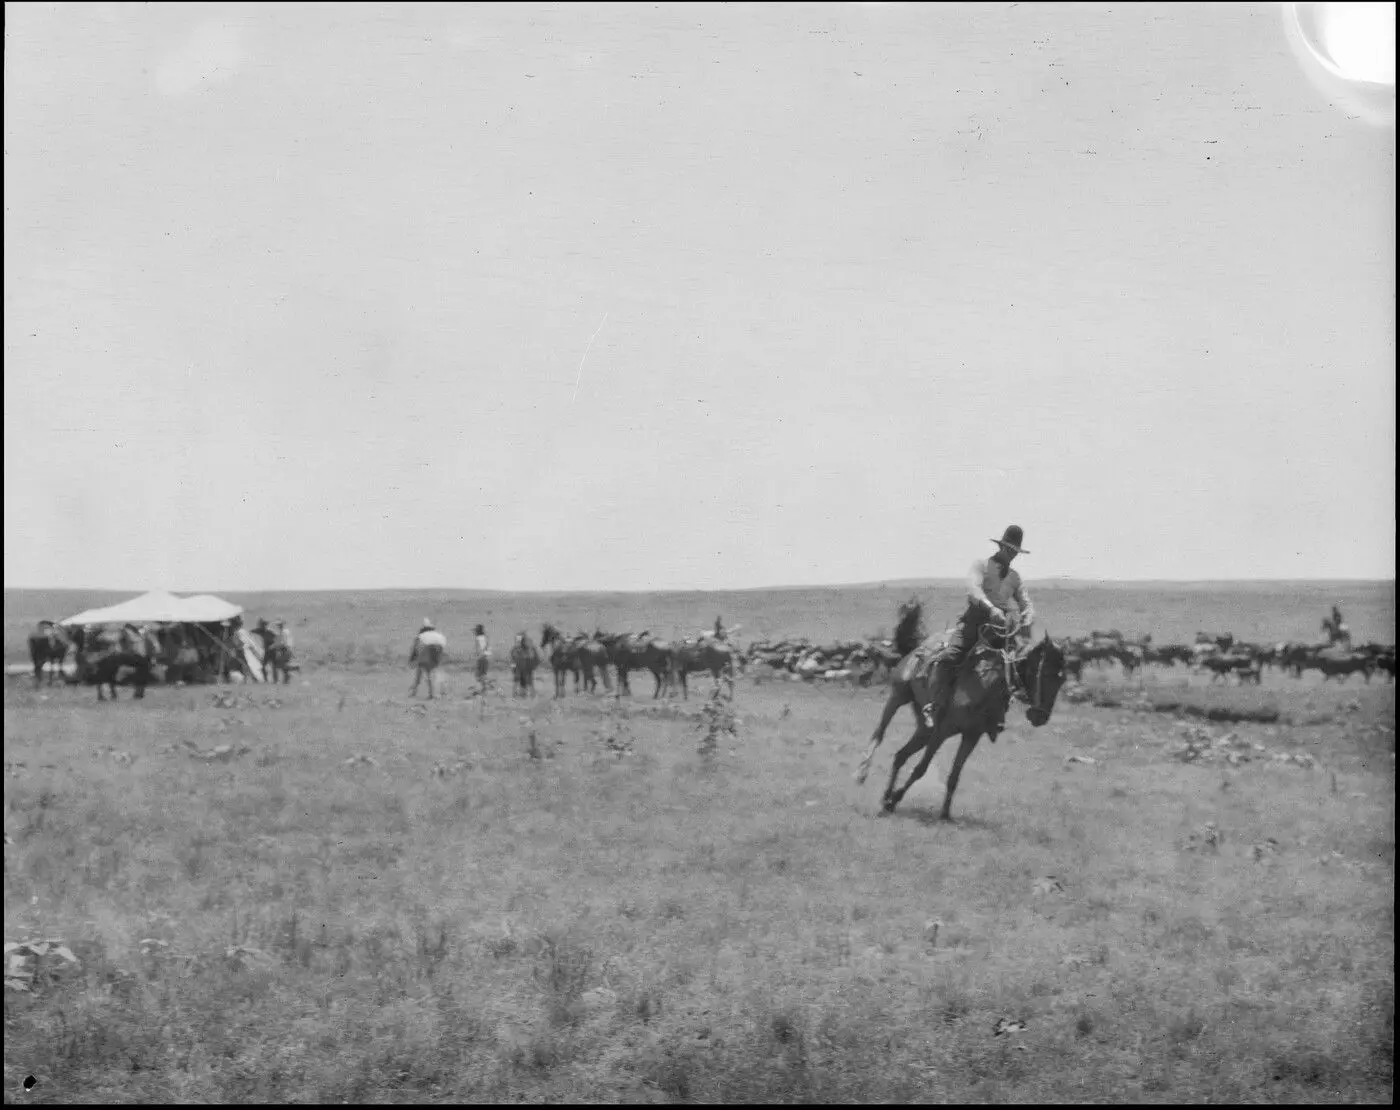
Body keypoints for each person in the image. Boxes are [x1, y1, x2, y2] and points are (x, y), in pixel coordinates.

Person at [918, 525, 1037, 733]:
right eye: (1009, 550)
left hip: (1000, 631)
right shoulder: (981, 565)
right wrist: (991, 608)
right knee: (951, 655)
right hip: (974, 624)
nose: (1012, 555)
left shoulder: (1015, 577)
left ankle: (1000, 712)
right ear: (1001, 547)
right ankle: (933, 704)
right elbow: (974, 590)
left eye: (1015, 552)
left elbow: (1025, 600)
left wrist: (1029, 613)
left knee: (1016, 664)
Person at [410, 618, 448, 698]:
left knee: (427, 671)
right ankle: (443, 690)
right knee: (436, 669)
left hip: (428, 648)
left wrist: (412, 660)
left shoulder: (420, 636)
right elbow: (443, 644)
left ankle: (431, 693)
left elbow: (415, 650)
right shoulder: (439, 635)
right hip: (439, 648)